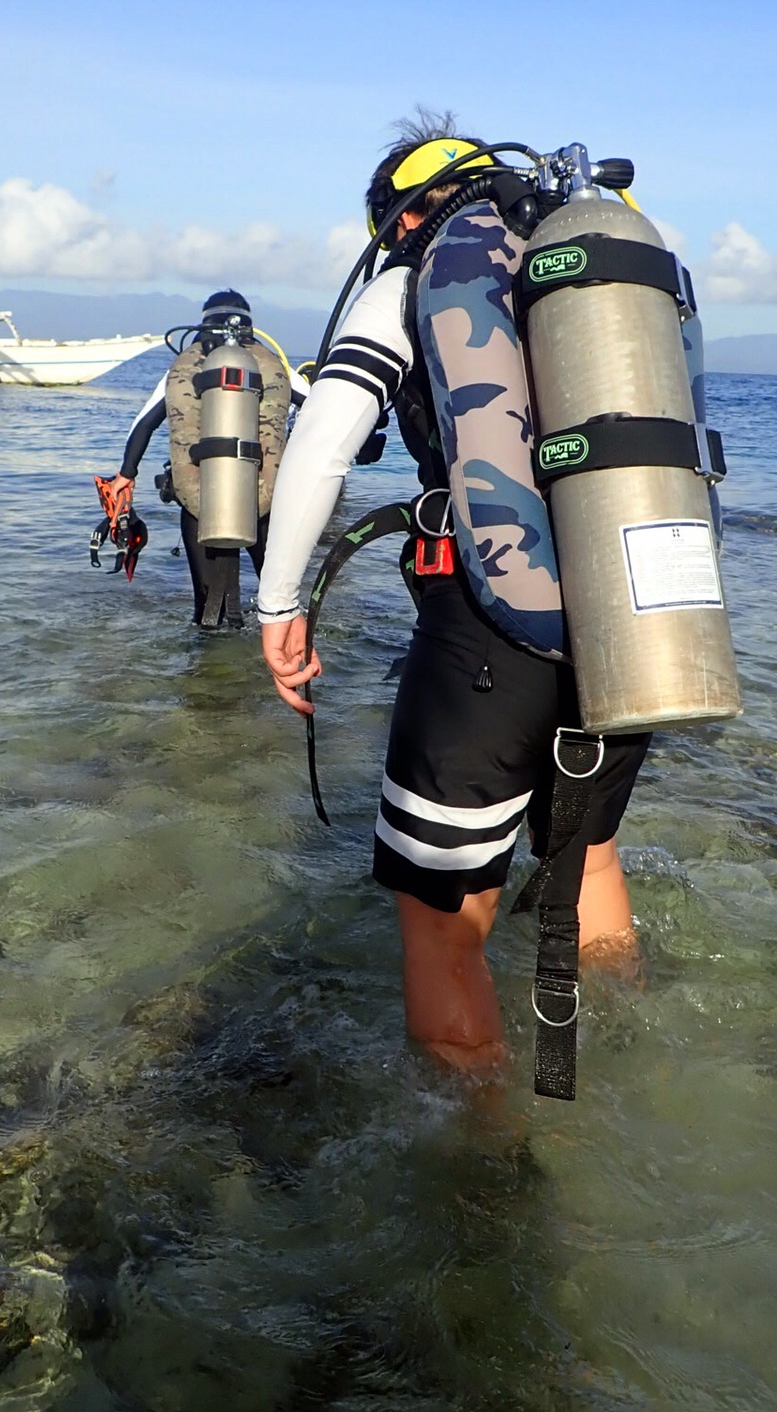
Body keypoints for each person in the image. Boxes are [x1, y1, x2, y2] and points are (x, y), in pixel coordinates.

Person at [257, 116, 649, 1078]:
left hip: (491, 639)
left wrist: (278, 606)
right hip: (631, 618)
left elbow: (322, 444)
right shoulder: (591, 275)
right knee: (586, 861)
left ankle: (486, 1180)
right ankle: (637, 1066)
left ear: (401, 218)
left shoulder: (413, 282)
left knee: (440, 924)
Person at [99, 289, 308, 628]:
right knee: (279, 602)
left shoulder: (183, 368)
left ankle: (206, 672)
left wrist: (126, 473)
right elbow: (318, 406)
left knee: (206, 608)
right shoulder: (274, 366)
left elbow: (144, 424)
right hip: (266, 503)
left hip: (201, 504)